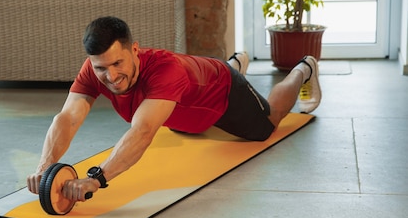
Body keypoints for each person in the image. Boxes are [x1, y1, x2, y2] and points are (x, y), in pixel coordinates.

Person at [26, 16, 321, 202]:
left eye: (118, 64)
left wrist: (96, 178)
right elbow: (68, 118)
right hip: (183, 106)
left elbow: (142, 131)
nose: (111, 76)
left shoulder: (165, 73)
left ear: (135, 50)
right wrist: (43, 166)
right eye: (101, 67)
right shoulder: (94, 70)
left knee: (267, 125)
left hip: (221, 93)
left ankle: (302, 69)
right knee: (188, 128)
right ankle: (235, 62)